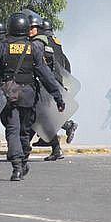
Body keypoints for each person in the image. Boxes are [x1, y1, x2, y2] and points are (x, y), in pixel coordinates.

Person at [0, 12, 65, 181]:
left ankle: (17, 167)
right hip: (28, 96)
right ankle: (23, 160)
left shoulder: (1, 47)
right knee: (24, 132)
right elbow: (45, 74)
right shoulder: (33, 48)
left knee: (12, 130)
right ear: (26, 28)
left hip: (9, 95)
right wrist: (58, 97)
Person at [30, 18, 77, 161]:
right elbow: (65, 61)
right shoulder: (56, 42)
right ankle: (37, 143)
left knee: (41, 114)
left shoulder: (41, 42)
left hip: (47, 80)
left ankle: (67, 126)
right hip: (56, 79)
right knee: (41, 114)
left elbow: (41, 63)